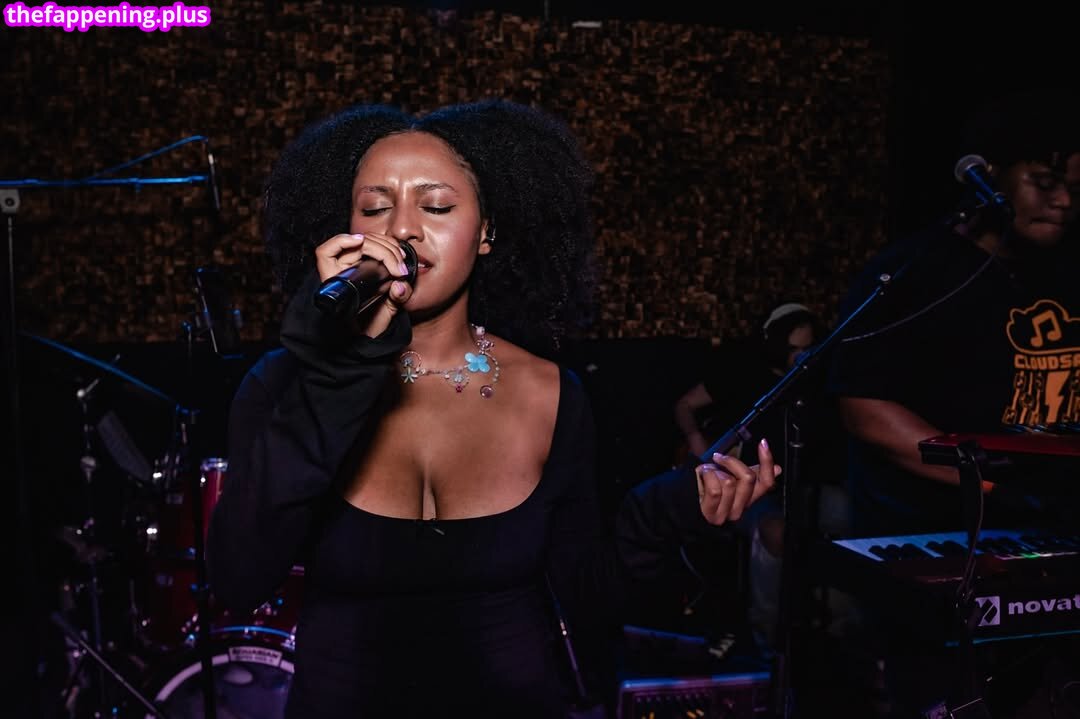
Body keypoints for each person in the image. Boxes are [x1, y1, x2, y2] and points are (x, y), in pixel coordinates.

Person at [206, 100, 781, 719]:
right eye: (374, 208)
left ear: (486, 233)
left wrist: (673, 508)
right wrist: (339, 374)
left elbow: (589, 595)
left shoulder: (550, 392)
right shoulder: (287, 386)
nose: (401, 230)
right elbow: (239, 579)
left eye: (436, 206)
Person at [828, 88, 1080, 717]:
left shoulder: (1067, 270)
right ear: (990, 176)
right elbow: (865, 407)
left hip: (1052, 533)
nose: (1064, 201)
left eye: (1074, 187)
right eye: (1044, 182)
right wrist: (991, 485)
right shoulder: (918, 271)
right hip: (941, 540)